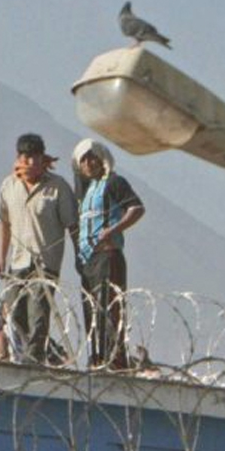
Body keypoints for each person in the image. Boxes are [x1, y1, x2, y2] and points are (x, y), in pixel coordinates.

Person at [0, 132, 78, 365]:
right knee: (14, 313)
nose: (31, 163)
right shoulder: (9, 186)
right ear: (19, 158)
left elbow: (72, 225)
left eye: (36, 157)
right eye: (26, 156)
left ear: (43, 159)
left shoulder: (57, 187)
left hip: (46, 262)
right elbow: (4, 223)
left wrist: (79, 256)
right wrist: (1, 257)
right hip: (18, 261)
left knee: (38, 314)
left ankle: (33, 360)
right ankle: (16, 357)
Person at [72, 139, 144, 369]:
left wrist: (113, 230)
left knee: (109, 310)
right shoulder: (85, 191)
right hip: (87, 260)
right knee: (91, 311)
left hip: (107, 255)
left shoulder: (113, 182)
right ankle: (96, 360)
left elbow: (137, 208)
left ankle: (115, 360)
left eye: (92, 157)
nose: (88, 163)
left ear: (102, 158)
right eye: (83, 159)